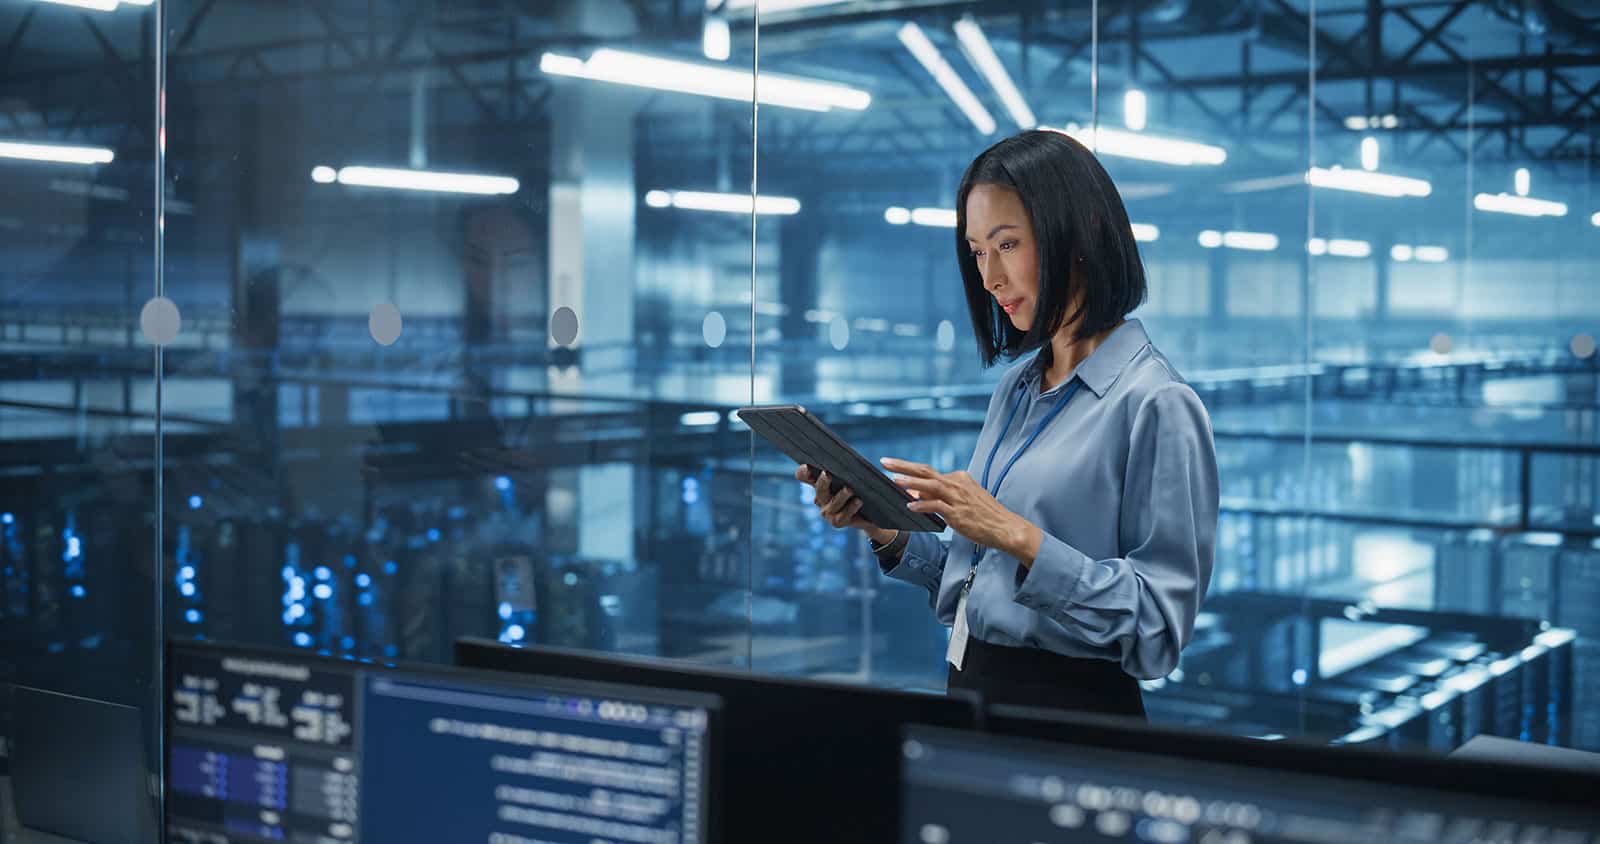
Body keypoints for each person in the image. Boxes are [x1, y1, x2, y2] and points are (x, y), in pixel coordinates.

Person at [797, 129, 1219, 718]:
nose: (989, 276)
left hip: (1070, 714)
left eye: (1008, 244)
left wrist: (1016, 534)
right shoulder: (1018, 389)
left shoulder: (1156, 404)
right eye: (976, 251)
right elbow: (980, 578)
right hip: (973, 687)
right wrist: (888, 531)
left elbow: (1158, 628)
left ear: (1078, 237)